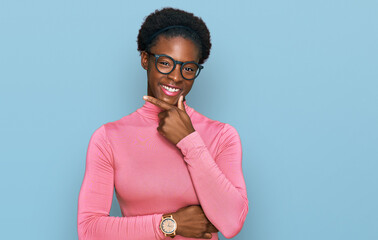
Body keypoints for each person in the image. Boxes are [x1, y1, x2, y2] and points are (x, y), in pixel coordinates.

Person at [77, 7, 249, 240]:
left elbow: (231, 222)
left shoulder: (222, 136)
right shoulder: (108, 138)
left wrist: (189, 140)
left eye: (188, 68)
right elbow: (89, 230)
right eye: (166, 63)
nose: (176, 77)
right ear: (145, 60)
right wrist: (169, 224)